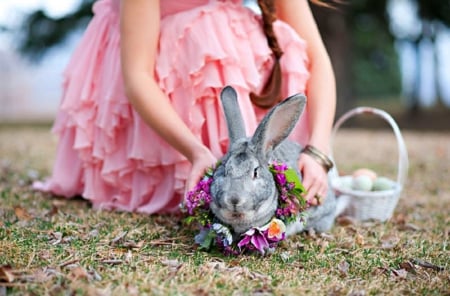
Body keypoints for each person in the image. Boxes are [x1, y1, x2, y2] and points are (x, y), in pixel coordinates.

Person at [34, 0, 336, 214]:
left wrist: (317, 151)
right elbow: (137, 77)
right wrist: (194, 151)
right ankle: (197, 164)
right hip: (154, 86)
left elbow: (318, 58)